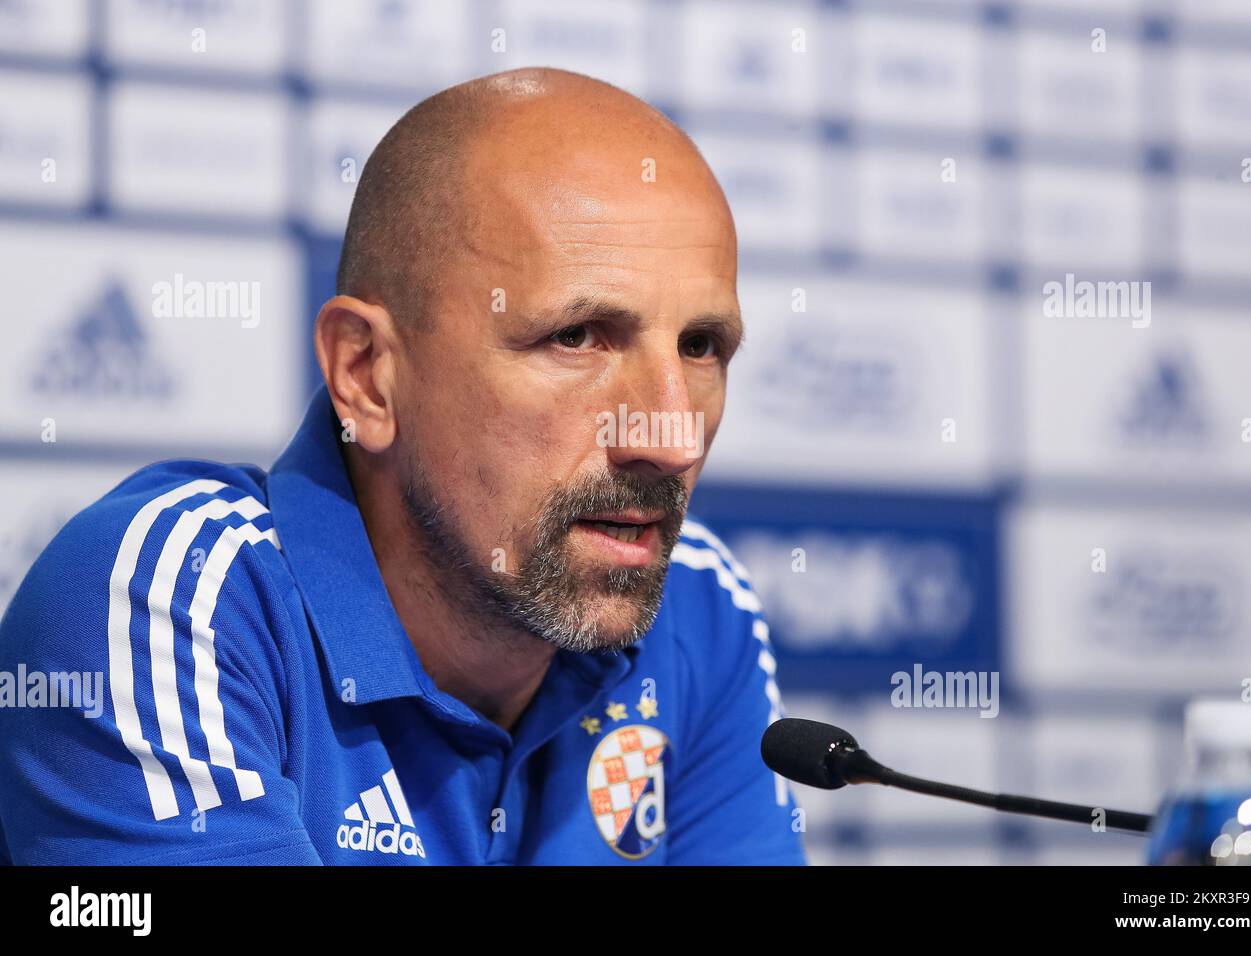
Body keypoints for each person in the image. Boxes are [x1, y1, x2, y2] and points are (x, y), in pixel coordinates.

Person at [0, 67, 805, 865]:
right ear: (367, 375)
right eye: (578, 336)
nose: (671, 437)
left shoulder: (699, 604)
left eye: (702, 347)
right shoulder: (168, 599)